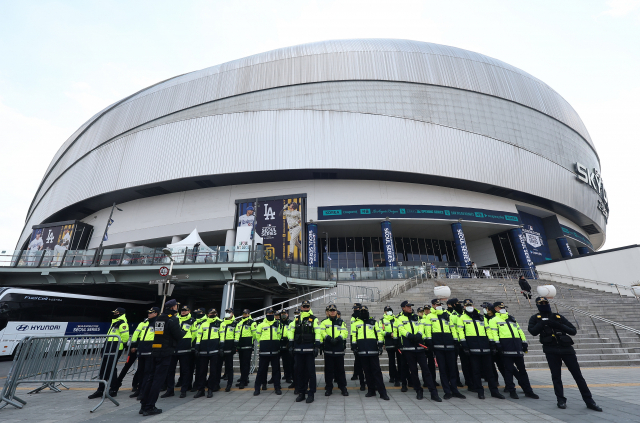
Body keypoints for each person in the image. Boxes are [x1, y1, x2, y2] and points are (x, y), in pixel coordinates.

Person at [528, 297, 602, 412]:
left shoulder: (557, 317)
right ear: (537, 305)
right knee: (556, 377)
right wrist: (543, 323)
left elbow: (573, 331)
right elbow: (532, 332)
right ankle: (561, 400)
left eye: (545, 302)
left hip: (566, 349)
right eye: (541, 303)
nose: (544, 304)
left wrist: (557, 325)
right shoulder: (535, 318)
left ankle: (589, 401)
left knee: (578, 376)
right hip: (551, 350)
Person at [139, 299, 184, 416]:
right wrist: (182, 332)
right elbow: (178, 335)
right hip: (165, 352)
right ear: (174, 307)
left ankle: (143, 405)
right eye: (176, 306)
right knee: (158, 381)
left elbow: (160, 334)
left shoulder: (159, 318)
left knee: (150, 378)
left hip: (155, 351)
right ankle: (150, 407)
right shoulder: (173, 319)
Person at [488, 301, 539, 400]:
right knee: (508, 371)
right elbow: (494, 333)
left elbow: (519, 330)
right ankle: (512, 391)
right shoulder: (493, 320)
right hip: (505, 347)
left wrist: (524, 342)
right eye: (500, 307)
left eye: (503, 306)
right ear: (496, 309)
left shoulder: (511, 318)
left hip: (517, 346)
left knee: (523, 370)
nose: (502, 308)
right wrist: (497, 344)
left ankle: (528, 391)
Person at [457, 299, 504, 400]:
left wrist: (492, 344)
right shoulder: (462, 318)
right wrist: (464, 345)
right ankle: (480, 391)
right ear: (464, 307)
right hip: (473, 348)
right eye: (467, 305)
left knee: (489, 371)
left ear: (473, 306)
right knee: (476, 371)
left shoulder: (481, 317)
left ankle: (494, 391)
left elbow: (488, 330)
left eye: (471, 304)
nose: (469, 306)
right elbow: (460, 331)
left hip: (485, 347)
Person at [396, 300, 441, 402]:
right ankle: (418, 391)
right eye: (408, 307)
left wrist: (419, 334)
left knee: (426, 370)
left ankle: (433, 392)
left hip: (420, 348)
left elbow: (421, 325)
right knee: (414, 371)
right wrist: (410, 336)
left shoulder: (416, 317)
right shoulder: (399, 318)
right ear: (403, 308)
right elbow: (401, 330)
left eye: (410, 306)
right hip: (408, 349)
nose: (410, 308)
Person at [424, 299, 466, 400]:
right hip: (438, 347)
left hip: (450, 345)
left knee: (452, 369)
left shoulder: (447, 315)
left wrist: (455, 339)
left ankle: (455, 390)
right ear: (433, 305)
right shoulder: (429, 316)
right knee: (442, 370)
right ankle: (447, 391)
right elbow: (428, 330)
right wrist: (429, 341)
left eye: (440, 304)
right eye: (437, 304)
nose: (438, 306)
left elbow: (452, 328)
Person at [88, 307, 130, 399]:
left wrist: (117, 345)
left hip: (115, 348)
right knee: (103, 369)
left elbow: (125, 337)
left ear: (121, 313)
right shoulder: (115, 322)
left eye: (116, 313)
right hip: (108, 347)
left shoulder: (122, 323)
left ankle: (114, 389)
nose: (114, 314)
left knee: (111, 369)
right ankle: (100, 390)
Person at [481, 302, 522, 391]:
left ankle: (516, 383)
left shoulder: (497, 318)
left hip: (500, 346)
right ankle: (496, 381)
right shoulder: (484, 318)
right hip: (490, 345)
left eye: (486, 308)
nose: (485, 310)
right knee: (493, 366)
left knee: (506, 367)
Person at [351, 305, 390, 400]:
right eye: (362, 311)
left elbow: (379, 334)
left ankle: (382, 392)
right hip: (362, 351)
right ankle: (371, 390)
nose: (363, 313)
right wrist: (354, 347)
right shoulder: (356, 323)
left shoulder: (373, 322)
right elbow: (353, 335)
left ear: (368, 312)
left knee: (377, 371)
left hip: (373, 350)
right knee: (367, 372)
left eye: (365, 311)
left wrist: (380, 345)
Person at [289, 300, 321, 403]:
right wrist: (290, 345)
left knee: (311, 373)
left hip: (309, 350)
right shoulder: (296, 319)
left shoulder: (314, 319)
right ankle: (302, 393)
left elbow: (317, 332)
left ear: (309, 307)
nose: (306, 308)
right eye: (304, 306)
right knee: (299, 372)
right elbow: (291, 331)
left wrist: (317, 346)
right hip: (298, 350)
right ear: (301, 307)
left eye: (307, 306)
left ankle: (311, 394)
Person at [162, 305, 195, 398]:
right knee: (170, 370)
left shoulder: (192, 321)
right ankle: (170, 390)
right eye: (182, 310)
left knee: (185, 370)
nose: (183, 311)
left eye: (186, 310)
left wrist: (192, 345)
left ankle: (183, 390)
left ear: (189, 311)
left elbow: (194, 334)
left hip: (185, 349)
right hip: (174, 348)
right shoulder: (175, 319)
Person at [320, 304, 348, 396]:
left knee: (340, 370)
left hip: (339, 349)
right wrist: (328, 338)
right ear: (328, 312)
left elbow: (345, 332)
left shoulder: (341, 322)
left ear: (336, 312)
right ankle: (329, 388)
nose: (332, 312)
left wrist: (338, 339)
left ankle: (343, 387)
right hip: (328, 349)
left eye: (334, 310)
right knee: (328, 370)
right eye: (331, 310)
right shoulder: (324, 322)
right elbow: (322, 332)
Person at [253, 308, 283, 396]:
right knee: (261, 370)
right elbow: (257, 336)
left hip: (274, 350)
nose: (270, 314)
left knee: (276, 370)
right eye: (269, 313)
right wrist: (263, 344)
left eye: (272, 313)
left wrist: (275, 343)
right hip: (264, 351)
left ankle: (277, 387)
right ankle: (257, 388)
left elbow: (279, 335)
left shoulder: (277, 324)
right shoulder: (261, 325)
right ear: (266, 314)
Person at [193, 308, 221, 398]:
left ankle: (210, 389)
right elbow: (199, 335)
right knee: (202, 371)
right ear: (208, 314)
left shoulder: (220, 323)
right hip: (203, 351)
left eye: (214, 313)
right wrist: (197, 347)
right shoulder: (203, 324)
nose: (212, 314)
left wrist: (221, 347)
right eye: (210, 313)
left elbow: (222, 336)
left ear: (216, 314)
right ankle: (201, 390)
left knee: (213, 372)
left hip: (214, 351)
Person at [132, 307, 159, 402]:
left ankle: (144, 391)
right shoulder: (143, 323)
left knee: (148, 372)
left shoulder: (157, 323)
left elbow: (158, 337)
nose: (149, 314)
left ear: (156, 314)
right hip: (142, 349)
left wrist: (155, 349)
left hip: (150, 351)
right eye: (148, 312)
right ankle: (139, 390)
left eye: (151, 313)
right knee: (140, 371)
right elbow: (136, 334)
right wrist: (134, 345)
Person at [446, 298, 467, 388]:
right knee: (452, 364)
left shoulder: (463, 313)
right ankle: (456, 380)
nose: (459, 305)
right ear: (450, 305)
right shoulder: (446, 314)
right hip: (453, 342)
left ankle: (469, 381)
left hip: (464, 342)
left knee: (466, 363)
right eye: (457, 303)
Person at [380, 305, 401, 386]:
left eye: (390, 310)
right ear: (384, 312)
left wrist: (395, 334)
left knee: (400, 361)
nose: (388, 311)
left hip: (397, 342)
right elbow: (381, 331)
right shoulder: (382, 321)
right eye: (387, 310)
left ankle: (400, 376)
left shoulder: (396, 319)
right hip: (389, 342)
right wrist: (389, 334)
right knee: (392, 361)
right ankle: (393, 377)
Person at [235, 309, 256, 389]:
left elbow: (254, 334)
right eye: (243, 313)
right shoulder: (240, 322)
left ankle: (243, 381)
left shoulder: (252, 322)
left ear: (249, 314)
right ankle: (244, 378)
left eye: (246, 313)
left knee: (245, 364)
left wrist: (250, 342)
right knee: (241, 363)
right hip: (240, 346)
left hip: (247, 346)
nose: (244, 315)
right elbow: (237, 333)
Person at [219, 308, 238, 392]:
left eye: (229, 312)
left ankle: (229, 384)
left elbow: (237, 335)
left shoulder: (235, 323)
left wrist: (235, 346)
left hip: (230, 347)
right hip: (221, 347)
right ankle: (216, 383)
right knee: (218, 366)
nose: (227, 313)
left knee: (229, 366)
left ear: (232, 314)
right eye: (226, 312)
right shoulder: (221, 323)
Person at [349, 303, 366, 391]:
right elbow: (352, 330)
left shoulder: (362, 316)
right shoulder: (353, 317)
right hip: (355, 337)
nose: (355, 310)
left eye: (356, 308)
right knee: (357, 360)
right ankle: (356, 374)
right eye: (354, 308)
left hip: (362, 339)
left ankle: (360, 375)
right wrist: (353, 344)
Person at [278, 310, 294, 384]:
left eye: (285, 313)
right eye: (282, 313)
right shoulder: (277, 322)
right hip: (278, 343)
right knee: (276, 363)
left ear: (287, 314)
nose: (283, 315)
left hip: (287, 343)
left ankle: (288, 376)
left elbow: (291, 332)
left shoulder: (290, 322)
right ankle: (275, 377)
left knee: (287, 362)